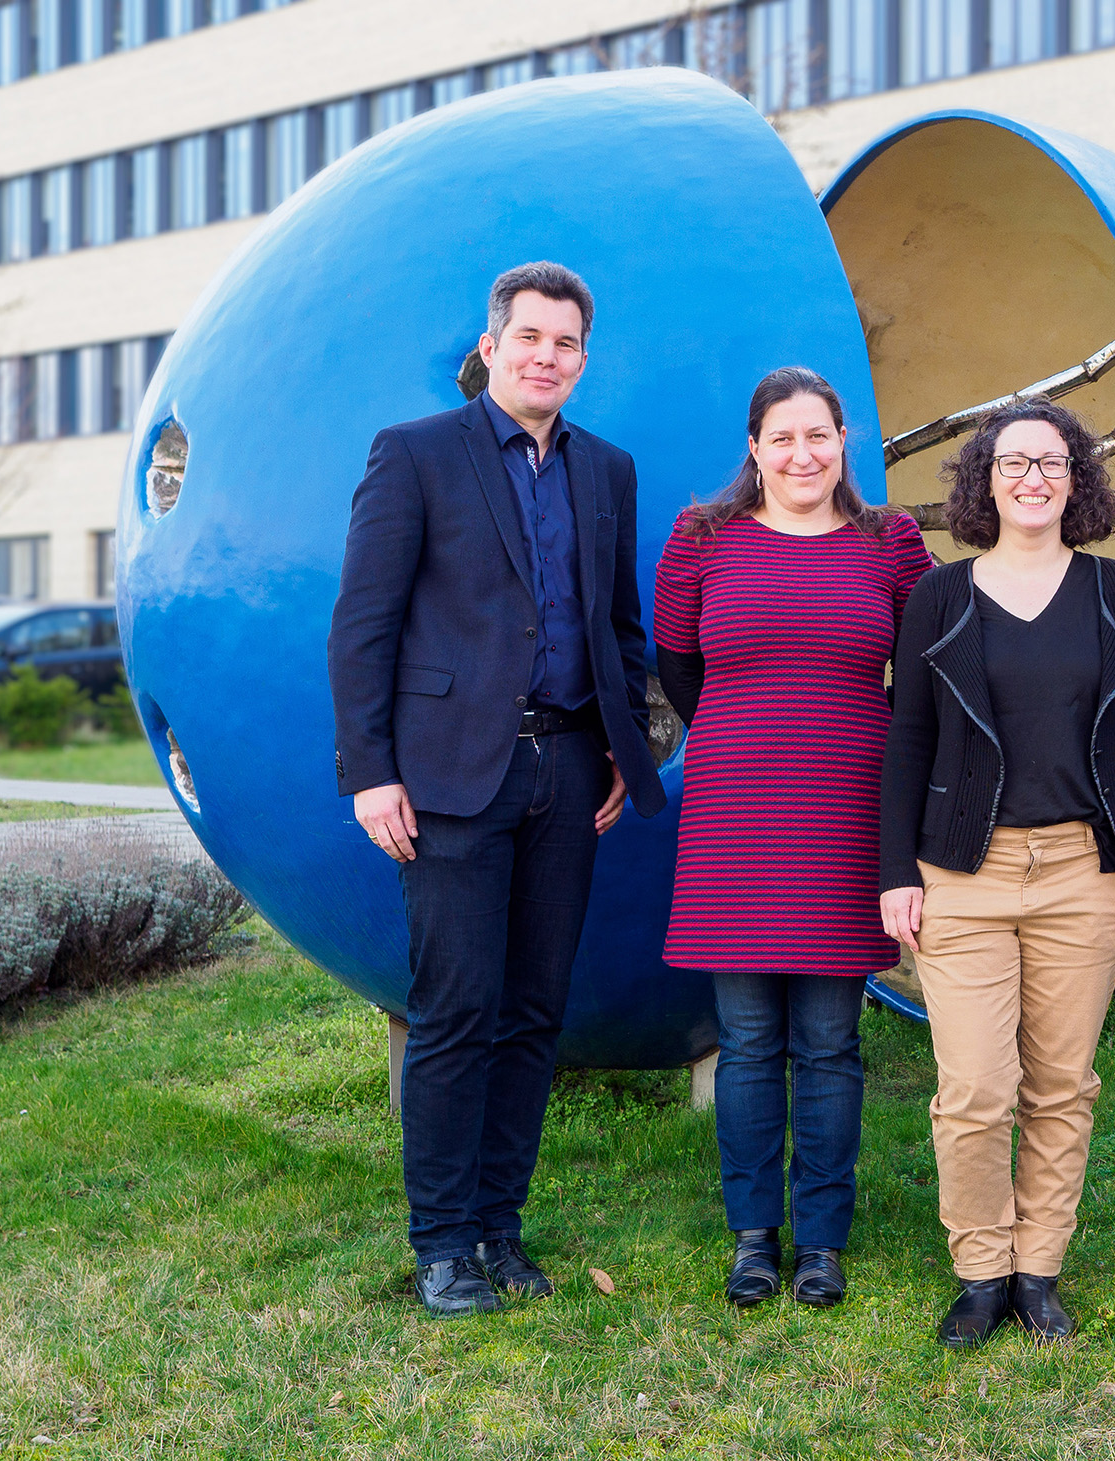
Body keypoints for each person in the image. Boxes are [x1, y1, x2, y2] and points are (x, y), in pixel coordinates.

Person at [327, 261, 666, 1319]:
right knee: (457, 1009)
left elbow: (617, 627)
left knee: (532, 1013)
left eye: (566, 344)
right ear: (490, 346)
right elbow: (363, 626)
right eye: (529, 338)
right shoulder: (416, 454)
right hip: (446, 777)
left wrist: (622, 747)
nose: (546, 357)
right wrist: (371, 771)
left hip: (566, 771)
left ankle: (499, 1231)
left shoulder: (606, 469)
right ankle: (440, 1246)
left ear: (583, 357)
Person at [879, 399, 1115, 1349]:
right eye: (1013, 463)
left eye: (1052, 462)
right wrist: (898, 872)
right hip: (963, 869)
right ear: (984, 480)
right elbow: (907, 736)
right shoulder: (941, 595)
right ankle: (979, 1268)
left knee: (1060, 1083)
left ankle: (1037, 1268)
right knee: (972, 1086)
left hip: (1083, 869)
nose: (1033, 477)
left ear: (1076, 480)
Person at [651, 366, 933, 1310]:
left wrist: (856, 738)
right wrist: (753, 729)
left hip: (849, 808)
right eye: (783, 438)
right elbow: (680, 670)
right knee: (744, 1038)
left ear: (844, 439)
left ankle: (820, 1240)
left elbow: (924, 675)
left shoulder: (890, 542)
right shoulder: (698, 542)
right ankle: (752, 1239)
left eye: (819, 435)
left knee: (829, 1039)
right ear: (754, 447)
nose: (802, 454)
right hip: (736, 811)